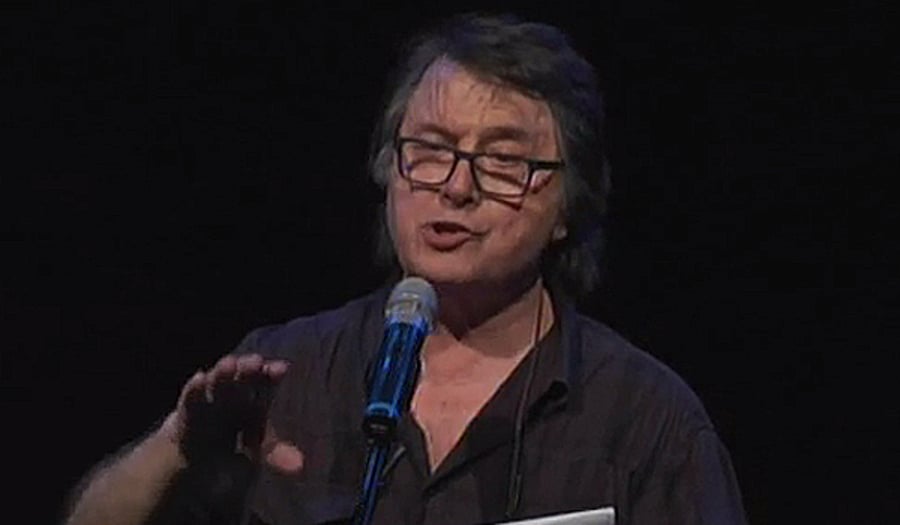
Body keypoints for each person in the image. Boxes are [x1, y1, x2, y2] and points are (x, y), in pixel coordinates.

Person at [63, 13, 747, 525]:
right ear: (389, 167)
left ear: (568, 205)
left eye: (503, 161)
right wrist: (177, 447)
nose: (456, 187)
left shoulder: (646, 420)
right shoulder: (283, 376)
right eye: (431, 149)